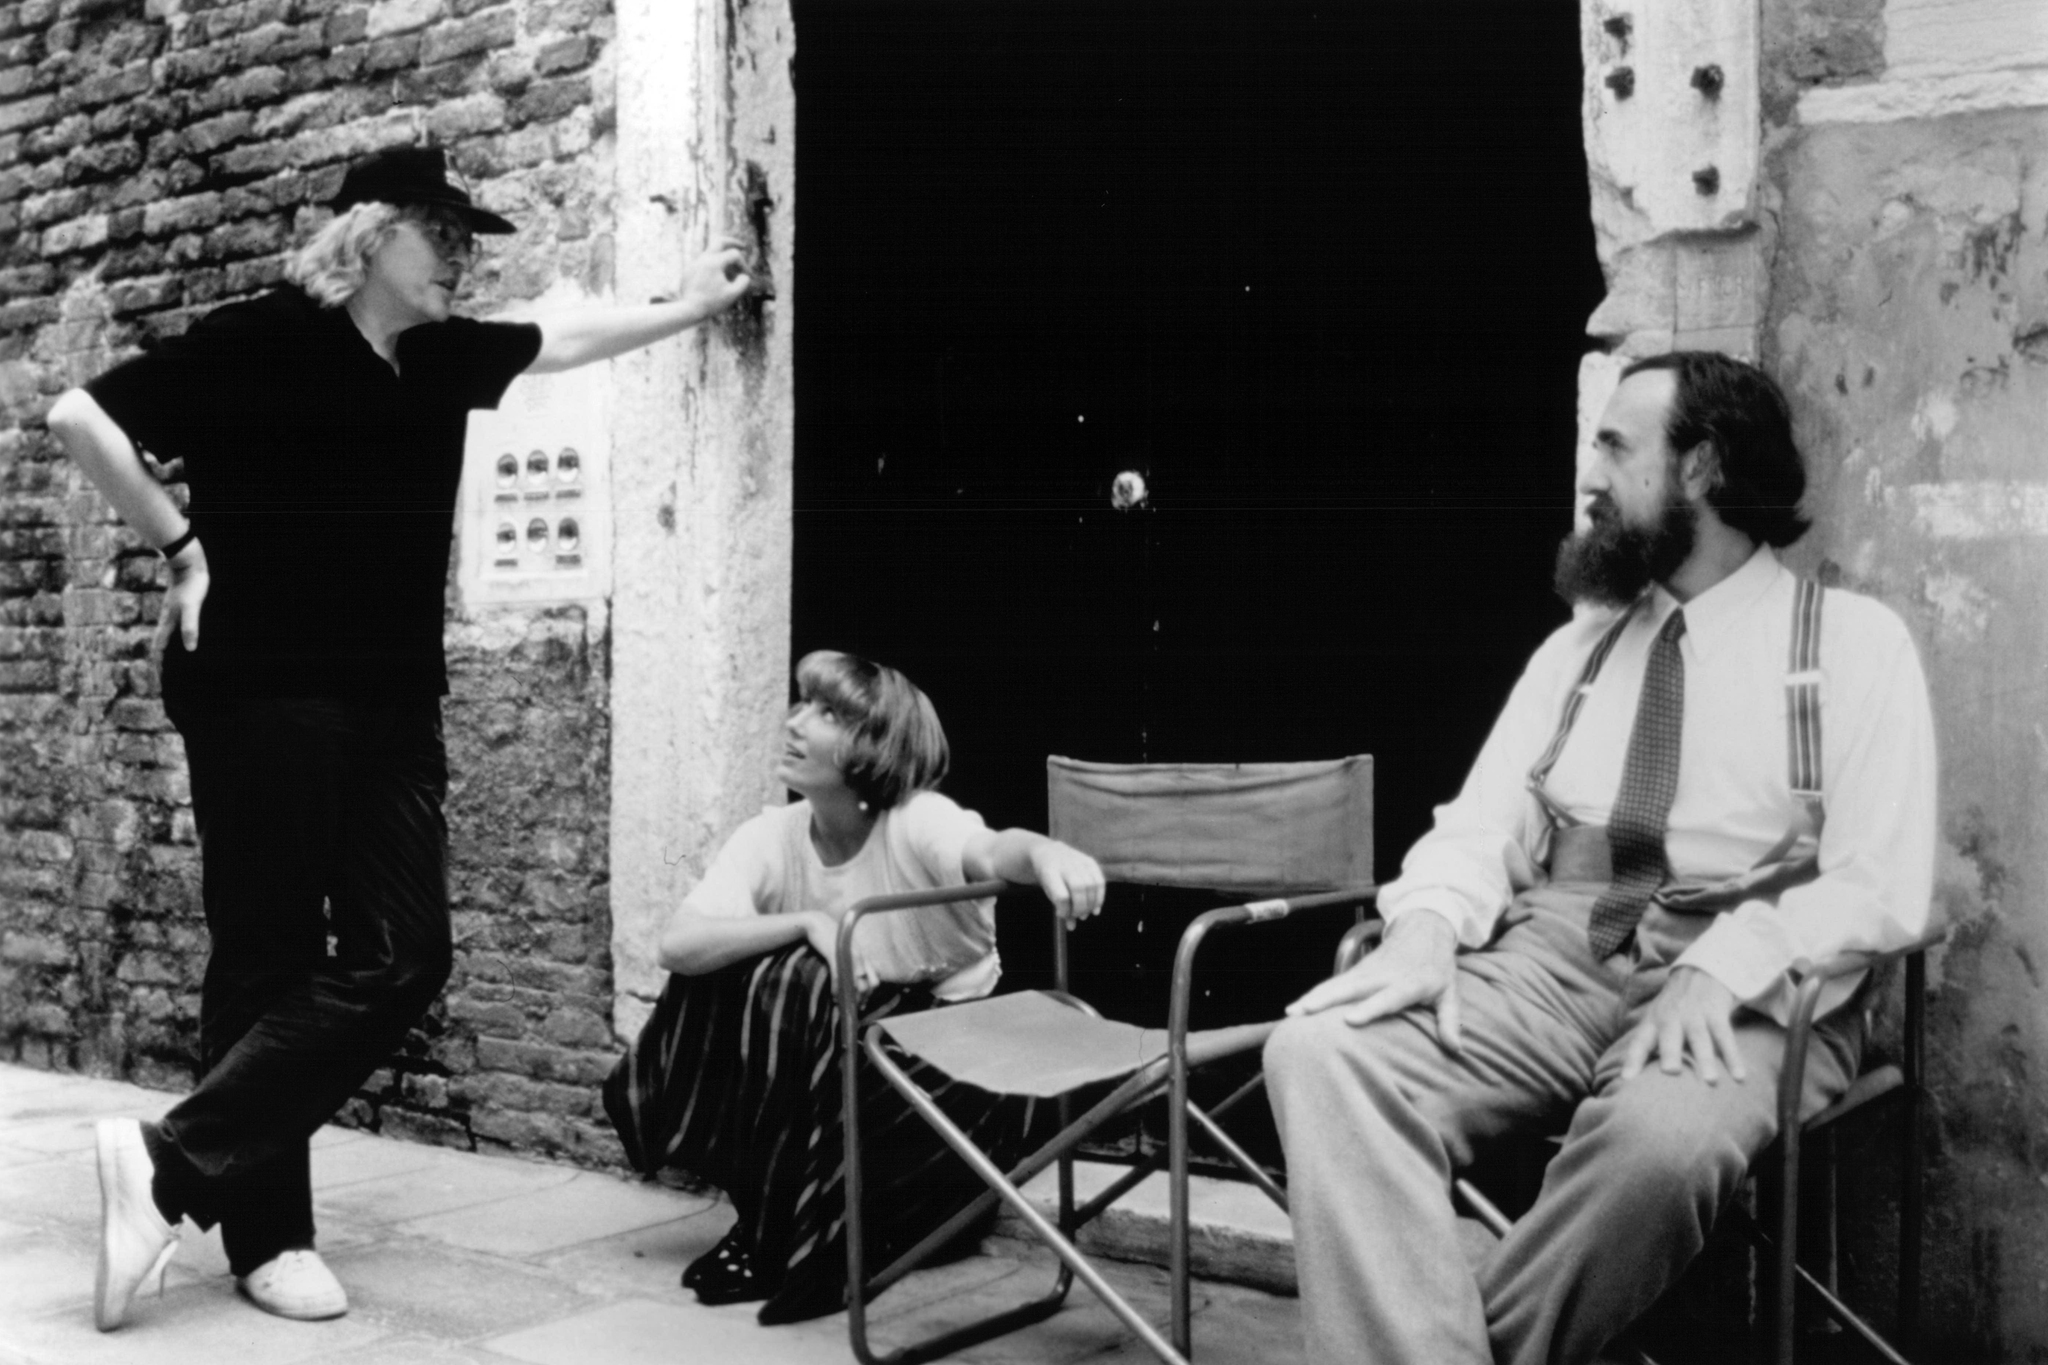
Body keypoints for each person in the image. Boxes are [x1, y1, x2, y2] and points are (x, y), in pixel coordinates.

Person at [47, 144, 753, 1331]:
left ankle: (167, 1166)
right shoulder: (261, 336)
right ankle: (266, 1241)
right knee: (265, 952)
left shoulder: (433, 358)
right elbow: (80, 415)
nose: (464, 259)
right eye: (444, 234)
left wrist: (697, 300)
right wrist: (180, 545)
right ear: (371, 235)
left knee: (404, 951)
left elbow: (565, 342)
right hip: (260, 690)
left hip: (389, 702)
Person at [1263, 351, 1936, 1365]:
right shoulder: (1573, 651)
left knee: (1657, 1148)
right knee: (1319, 1052)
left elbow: (1881, 878)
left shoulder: (1850, 643)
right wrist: (1425, 927)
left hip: (1752, 979)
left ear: (1702, 468)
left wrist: (1725, 961)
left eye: (1616, 447)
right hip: (1555, 952)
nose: (1589, 474)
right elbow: (1478, 824)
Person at [603, 649, 1106, 1325]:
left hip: (949, 1074)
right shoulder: (771, 834)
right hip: (847, 1066)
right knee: (746, 970)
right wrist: (807, 919)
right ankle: (777, 1217)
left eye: (829, 713)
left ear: (876, 746)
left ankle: (783, 1237)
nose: (797, 721)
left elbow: (993, 850)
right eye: (804, 702)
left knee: (796, 983)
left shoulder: (915, 819)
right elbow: (679, 944)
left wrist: (1049, 852)